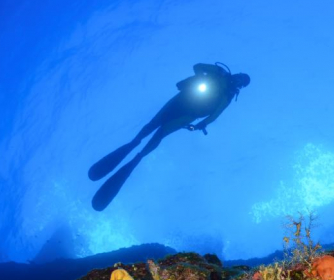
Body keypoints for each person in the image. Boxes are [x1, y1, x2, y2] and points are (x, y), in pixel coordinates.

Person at [89, 63, 250, 211]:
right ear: (237, 73)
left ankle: (137, 158)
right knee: (152, 124)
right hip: (180, 101)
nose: (238, 80)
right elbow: (197, 67)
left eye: (241, 82)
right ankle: (133, 144)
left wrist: (201, 124)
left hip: (188, 115)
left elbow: (216, 114)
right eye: (240, 76)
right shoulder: (219, 73)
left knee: (160, 134)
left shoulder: (228, 96)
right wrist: (210, 73)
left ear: (241, 86)